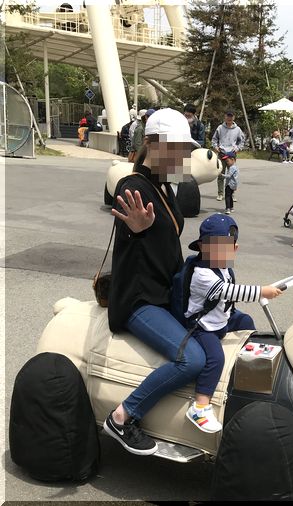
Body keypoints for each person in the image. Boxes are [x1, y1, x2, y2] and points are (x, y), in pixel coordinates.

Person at [103, 108, 206, 456]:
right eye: (176, 148)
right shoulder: (133, 186)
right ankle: (122, 416)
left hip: (164, 294)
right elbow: (128, 228)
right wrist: (136, 231)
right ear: (151, 143)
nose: (182, 156)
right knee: (191, 359)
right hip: (139, 300)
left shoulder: (163, 186)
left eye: (185, 149)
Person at [184, 213, 282, 432]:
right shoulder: (202, 274)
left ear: (234, 249)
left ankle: (250, 365)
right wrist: (261, 291)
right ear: (202, 246)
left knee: (245, 321)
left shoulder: (224, 267)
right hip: (203, 326)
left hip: (222, 318)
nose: (221, 253)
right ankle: (200, 406)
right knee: (215, 358)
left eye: (226, 248)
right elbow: (228, 291)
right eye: (215, 247)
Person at [211, 111, 245, 201]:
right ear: (225, 117)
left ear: (234, 117)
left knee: (232, 175)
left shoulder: (237, 129)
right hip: (222, 153)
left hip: (231, 154)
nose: (229, 118)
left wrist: (238, 148)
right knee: (220, 174)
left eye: (231, 116)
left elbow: (242, 140)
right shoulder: (220, 128)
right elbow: (214, 139)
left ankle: (231, 194)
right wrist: (216, 147)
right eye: (228, 116)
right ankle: (220, 193)